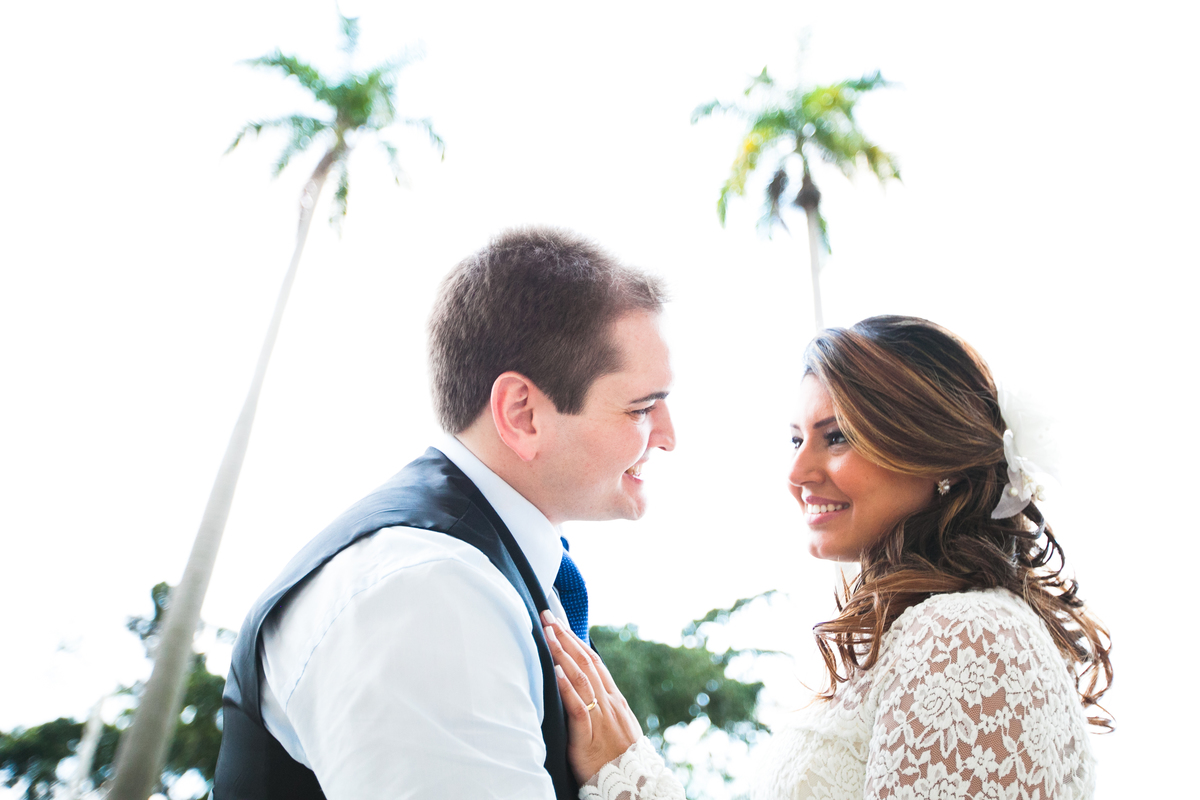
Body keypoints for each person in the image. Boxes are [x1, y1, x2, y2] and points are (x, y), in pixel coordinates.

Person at [544, 315, 1112, 800]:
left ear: (933, 449)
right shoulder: (922, 632)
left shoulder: (969, 636)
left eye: (836, 436)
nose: (797, 473)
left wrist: (630, 779)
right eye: (796, 440)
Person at [213, 227, 676, 799]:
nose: (669, 437)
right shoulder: (425, 592)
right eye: (641, 407)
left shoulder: (492, 574)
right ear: (523, 414)